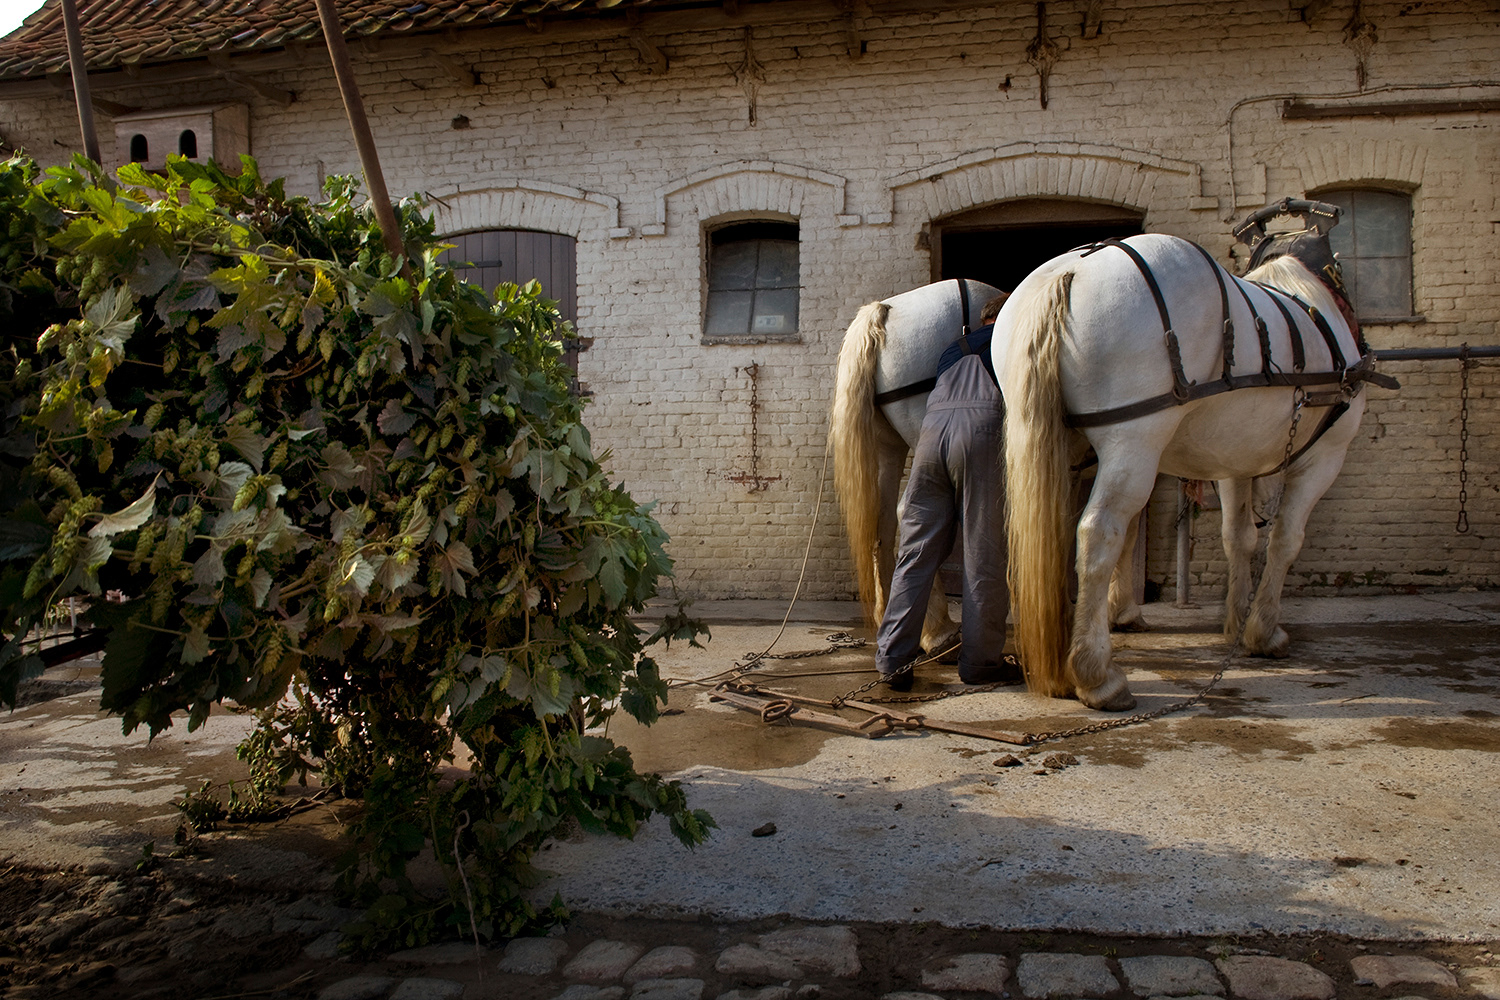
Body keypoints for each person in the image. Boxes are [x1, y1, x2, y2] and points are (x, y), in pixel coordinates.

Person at [875, 293, 1019, 692]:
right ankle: (981, 663)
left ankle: (894, 658)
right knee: (984, 554)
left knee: (916, 553)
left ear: (982, 320)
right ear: (1006, 319)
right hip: (981, 436)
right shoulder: (1011, 339)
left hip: (930, 437)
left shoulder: (951, 350)